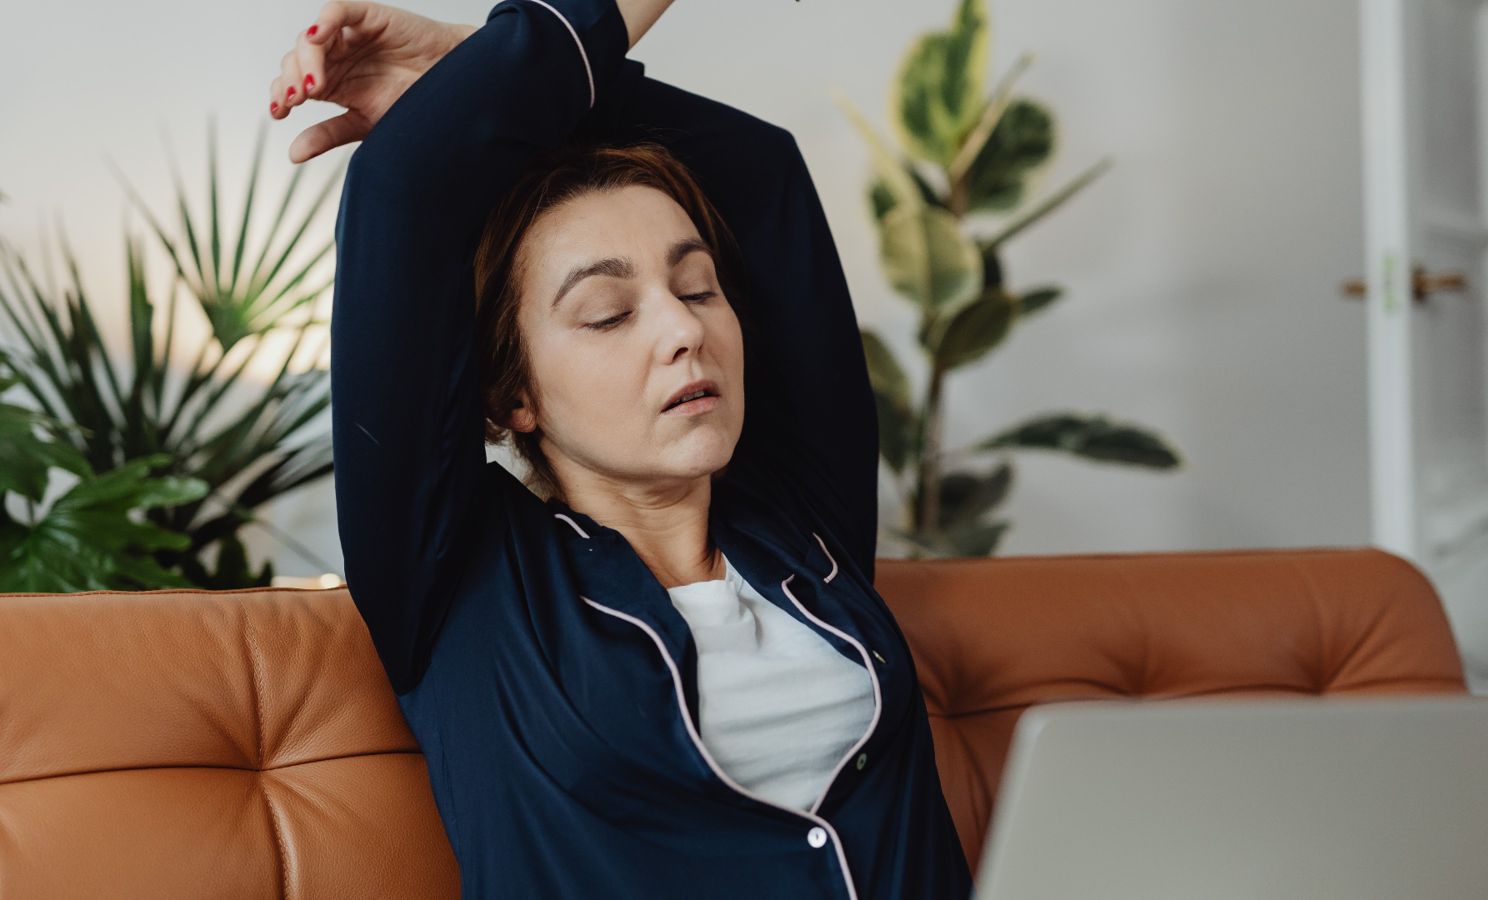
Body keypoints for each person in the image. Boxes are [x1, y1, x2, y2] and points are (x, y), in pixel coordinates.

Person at [268, 1, 975, 897]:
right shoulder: (462, 588)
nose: (684, 328)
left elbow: (761, 179)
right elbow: (402, 188)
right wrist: (504, 77)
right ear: (512, 396)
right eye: (608, 314)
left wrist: (481, 71)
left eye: (699, 287)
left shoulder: (806, 536)